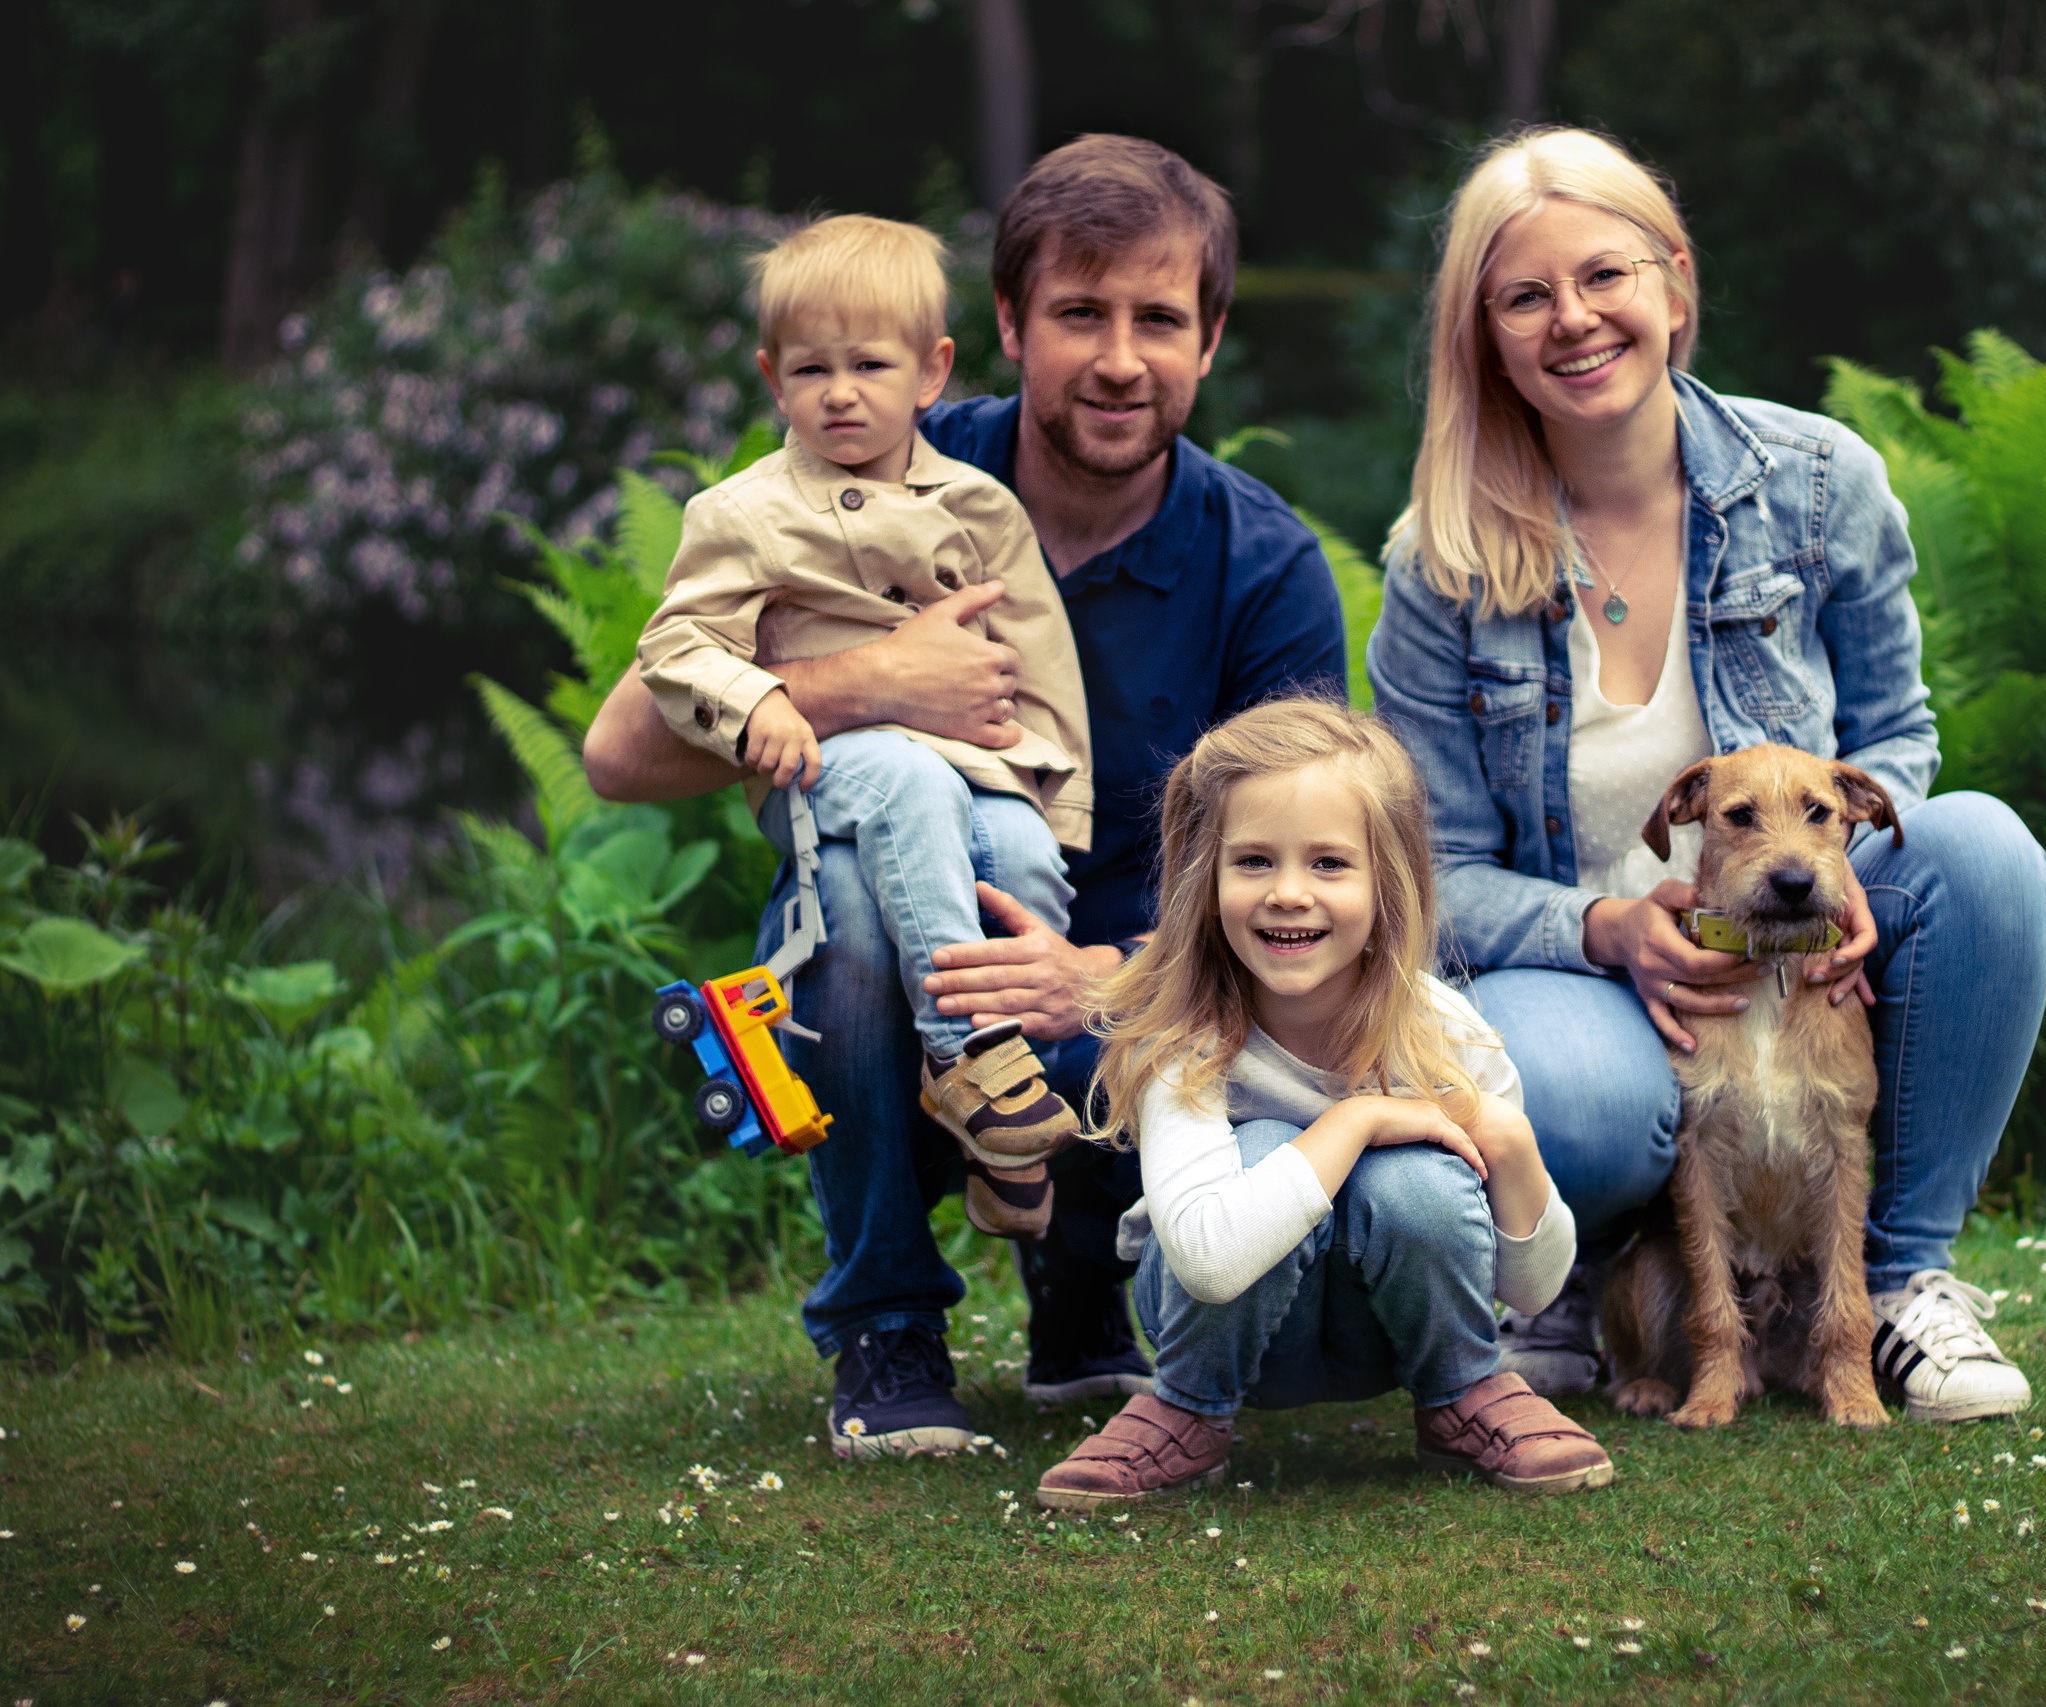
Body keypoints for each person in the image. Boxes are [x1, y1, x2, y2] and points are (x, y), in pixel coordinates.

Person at [582, 137, 1346, 1459]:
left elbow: (1327, 882)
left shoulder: (1263, 565)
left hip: (1140, 979)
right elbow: (621, 754)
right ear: (1002, 327)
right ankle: (885, 1324)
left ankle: (1085, 1281)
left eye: (1159, 319)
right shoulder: (866, 460)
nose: (1120, 357)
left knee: (1186, 990)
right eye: (1078, 315)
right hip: (893, 945)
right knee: (870, 933)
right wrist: (867, 679)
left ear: (1210, 340)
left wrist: (1104, 975)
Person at [1366, 128, 2046, 1423]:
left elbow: (1899, 738)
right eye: (1526, 296)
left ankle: (1904, 1286)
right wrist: (1610, 925)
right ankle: (1572, 1287)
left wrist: (1845, 875)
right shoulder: (1441, 561)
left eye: (1604, 275)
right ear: (1487, 335)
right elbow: (1431, 877)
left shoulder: (1818, 482)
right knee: (1566, 1088)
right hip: (1585, 967)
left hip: (1796, 921)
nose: (1573, 319)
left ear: (1673, 284)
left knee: (1989, 856)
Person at [1035, 700, 1612, 1509]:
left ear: (1390, 881)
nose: (1289, 894)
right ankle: (1186, 1412)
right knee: (1270, 1140)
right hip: (1226, 1333)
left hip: (1392, 1334)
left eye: (1330, 864)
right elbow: (1205, 1259)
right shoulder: (1186, 1044)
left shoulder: (1442, 1033)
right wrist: (1357, 1119)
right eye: (1255, 861)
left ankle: (1462, 1393)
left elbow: (1534, 1290)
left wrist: (1510, 1143)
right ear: (1207, 880)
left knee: (1415, 1177)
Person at [635, 214, 1091, 1240]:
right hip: (831, 770)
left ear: (932, 372)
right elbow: (675, 650)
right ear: (771, 378)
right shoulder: (744, 513)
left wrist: (1057, 802)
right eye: (811, 369)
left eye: (869, 364)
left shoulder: (977, 507)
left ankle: (997, 1142)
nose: (840, 391)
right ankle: (965, 1063)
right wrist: (760, 701)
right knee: (903, 781)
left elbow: (1040, 663)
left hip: (980, 762)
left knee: (1019, 859)